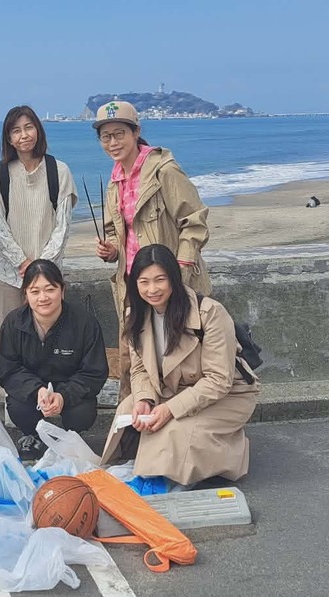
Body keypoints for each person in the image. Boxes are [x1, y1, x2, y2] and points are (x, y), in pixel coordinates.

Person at [100, 245, 260, 488]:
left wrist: (169, 410)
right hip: (170, 388)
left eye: (160, 280)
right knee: (128, 409)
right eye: (144, 282)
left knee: (174, 431)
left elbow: (218, 380)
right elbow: (140, 369)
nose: (152, 290)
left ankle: (230, 452)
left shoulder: (211, 313)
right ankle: (151, 464)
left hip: (226, 395)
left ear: (173, 278)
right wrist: (145, 399)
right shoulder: (135, 313)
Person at [91, 100, 211, 401]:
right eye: (106, 136)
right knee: (138, 357)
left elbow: (194, 221)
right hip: (134, 284)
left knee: (178, 356)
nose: (113, 142)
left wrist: (179, 269)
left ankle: (180, 424)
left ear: (136, 132)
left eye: (119, 133)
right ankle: (137, 424)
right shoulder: (115, 180)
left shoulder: (163, 171)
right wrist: (112, 250)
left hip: (170, 283)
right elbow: (117, 233)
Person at [0, 106, 76, 407]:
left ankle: (52, 397)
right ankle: (10, 399)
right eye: (15, 130)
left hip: (49, 276)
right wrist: (23, 264)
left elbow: (63, 224)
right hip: (9, 273)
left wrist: (41, 268)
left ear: (38, 130)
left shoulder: (58, 171)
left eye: (28, 127)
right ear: (8, 138)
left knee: (52, 337)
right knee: (7, 335)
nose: (23, 135)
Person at [0, 260, 108, 460]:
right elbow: (8, 370)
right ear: (26, 294)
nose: (43, 298)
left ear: (62, 290)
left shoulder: (84, 322)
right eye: (35, 291)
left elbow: (94, 372)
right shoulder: (13, 323)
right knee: (18, 406)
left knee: (82, 413)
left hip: (70, 389)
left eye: (50, 289)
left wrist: (63, 396)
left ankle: (72, 437)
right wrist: (37, 390)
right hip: (34, 392)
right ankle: (33, 435)